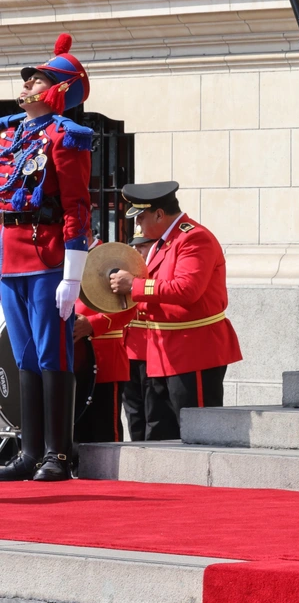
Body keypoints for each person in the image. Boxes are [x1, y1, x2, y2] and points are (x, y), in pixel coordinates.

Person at [0, 34, 93, 483]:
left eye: (37, 81)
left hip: (46, 255)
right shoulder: (10, 133)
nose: (28, 85)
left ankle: (59, 453)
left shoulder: (67, 137)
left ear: (57, 90)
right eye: (30, 79)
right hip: (10, 256)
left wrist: (72, 275)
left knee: (52, 355)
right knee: (23, 356)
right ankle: (29, 449)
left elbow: (77, 207)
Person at [109, 182, 242, 441]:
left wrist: (133, 286)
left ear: (159, 214)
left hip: (193, 350)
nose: (139, 226)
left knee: (197, 432)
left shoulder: (194, 237)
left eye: (141, 217)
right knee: (161, 432)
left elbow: (186, 290)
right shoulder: (165, 241)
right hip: (162, 351)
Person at [73, 239, 135, 444]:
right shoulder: (57, 256)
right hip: (68, 360)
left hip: (103, 358)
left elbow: (128, 307)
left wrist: (92, 325)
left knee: (103, 434)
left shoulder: (111, 256)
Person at [121, 237, 152, 441]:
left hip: (151, 351)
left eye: (143, 245)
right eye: (135, 245)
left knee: (153, 414)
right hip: (128, 350)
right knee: (133, 414)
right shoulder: (126, 272)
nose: (137, 250)